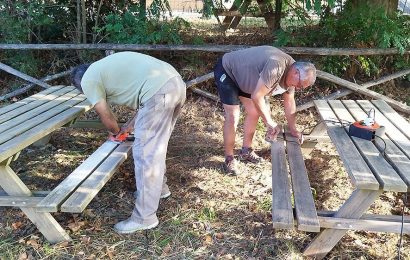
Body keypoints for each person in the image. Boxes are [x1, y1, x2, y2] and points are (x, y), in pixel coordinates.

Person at [71, 51, 186, 233]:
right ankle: (160, 189)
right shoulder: (104, 69)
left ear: (79, 83)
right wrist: (128, 127)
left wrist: (116, 133)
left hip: (160, 91)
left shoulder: (87, 80)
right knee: (156, 147)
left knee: (145, 155)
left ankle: (144, 218)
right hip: (175, 84)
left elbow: (105, 115)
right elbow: (148, 98)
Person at [213, 46, 316, 175]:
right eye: (300, 85)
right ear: (295, 72)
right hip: (227, 71)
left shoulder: (293, 73)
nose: (299, 88)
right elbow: (257, 96)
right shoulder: (277, 66)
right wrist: (269, 122)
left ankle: (246, 151)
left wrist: (293, 129)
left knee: (254, 112)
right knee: (233, 115)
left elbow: (289, 101)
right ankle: (229, 158)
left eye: (302, 87)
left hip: (246, 79)